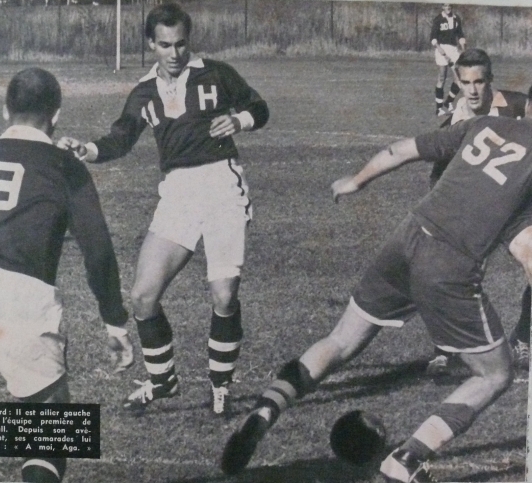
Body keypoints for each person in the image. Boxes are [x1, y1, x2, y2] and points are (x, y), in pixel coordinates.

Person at [221, 87, 532, 481]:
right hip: (449, 265)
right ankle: (406, 458)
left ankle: (266, 409)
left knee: (340, 341)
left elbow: (400, 150)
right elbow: (525, 246)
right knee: (495, 374)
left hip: (406, 239)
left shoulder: (484, 124)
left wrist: (356, 180)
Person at [58, 2, 269, 418]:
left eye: (181, 44)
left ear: (189, 42)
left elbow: (259, 107)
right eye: (166, 45)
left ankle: (220, 386)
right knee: (142, 297)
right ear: (151, 45)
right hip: (178, 193)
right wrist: (88, 150)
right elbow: (121, 138)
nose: (175, 53)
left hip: (222, 186)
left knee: (224, 294)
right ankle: (162, 381)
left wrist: (240, 121)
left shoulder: (216, 74)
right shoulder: (144, 92)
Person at [0, 67, 133, 483]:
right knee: (50, 432)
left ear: (5, 110)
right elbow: (97, 250)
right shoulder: (65, 166)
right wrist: (114, 321)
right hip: (23, 301)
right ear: (55, 115)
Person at [426, 48, 529, 375]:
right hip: (472, 209)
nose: (473, 91)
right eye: (466, 83)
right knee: (451, 272)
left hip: (515, 210)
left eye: (479, 82)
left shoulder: (516, 106)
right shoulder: (455, 124)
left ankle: (523, 339)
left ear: (490, 80)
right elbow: (439, 178)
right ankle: (444, 350)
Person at [430, 3, 466, 116]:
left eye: (449, 5)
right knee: (442, 77)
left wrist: (463, 47)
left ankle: (448, 102)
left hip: (454, 50)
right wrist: (439, 48)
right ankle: (439, 108)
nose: (448, 8)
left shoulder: (456, 18)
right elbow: (433, 37)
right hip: (442, 48)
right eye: (445, 6)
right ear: (442, 7)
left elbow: (460, 34)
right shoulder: (438, 19)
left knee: (459, 77)